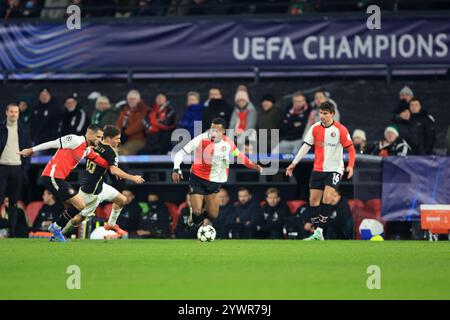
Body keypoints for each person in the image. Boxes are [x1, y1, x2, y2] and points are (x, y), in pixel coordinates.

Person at [18, 124, 109, 242]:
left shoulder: (87, 149)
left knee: (77, 206)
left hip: (59, 179)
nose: (100, 140)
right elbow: (52, 143)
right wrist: (31, 150)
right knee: (79, 205)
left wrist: (113, 166)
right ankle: (56, 229)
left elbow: (100, 160)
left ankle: (55, 229)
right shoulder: (75, 140)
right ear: (90, 134)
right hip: (51, 176)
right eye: (98, 137)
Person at [172, 117, 263, 229]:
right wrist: (176, 168)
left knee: (213, 214)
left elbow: (240, 156)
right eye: (212, 129)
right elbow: (180, 153)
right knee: (196, 211)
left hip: (214, 182)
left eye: (217, 130)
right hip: (197, 178)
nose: (213, 133)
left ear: (223, 131)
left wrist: (253, 166)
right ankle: (197, 223)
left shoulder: (228, 143)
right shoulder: (200, 139)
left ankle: (201, 215)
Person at [286, 101, 356, 241]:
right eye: (321, 113)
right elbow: (305, 146)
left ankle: (319, 231)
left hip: (335, 169)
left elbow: (351, 148)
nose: (322, 116)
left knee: (328, 198)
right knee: (313, 201)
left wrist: (351, 165)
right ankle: (317, 231)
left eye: (325, 113)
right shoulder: (314, 128)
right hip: (318, 169)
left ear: (332, 114)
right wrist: (293, 163)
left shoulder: (340, 129)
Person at [61, 125, 145, 238]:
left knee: (122, 200)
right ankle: (60, 233)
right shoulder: (111, 151)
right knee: (78, 218)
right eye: (117, 138)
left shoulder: (95, 144)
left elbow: (107, 166)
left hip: (100, 185)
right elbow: (114, 171)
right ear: (109, 139)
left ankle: (110, 224)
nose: (119, 141)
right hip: (90, 192)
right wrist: (132, 177)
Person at [0, 103, 32, 237]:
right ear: (6, 113)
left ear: (19, 114)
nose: (14, 114)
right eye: (11, 111)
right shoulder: (1, 128)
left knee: (14, 202)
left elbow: (29, 150)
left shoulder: (23, 129)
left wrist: (24, 170)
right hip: (2, 167)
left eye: (16, 112)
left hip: (17, 168)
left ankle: (12, 233)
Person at [115, 90, 149, 155]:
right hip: (123, 138)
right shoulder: (125, 110)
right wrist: (117, 134)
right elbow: (118, 123)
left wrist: (125, 133)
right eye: (130, 99)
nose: (132, 101)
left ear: (138, 100)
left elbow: (138, 125)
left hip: (138, 139)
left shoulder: (144, 109)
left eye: (134, 99)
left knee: (123, 152)